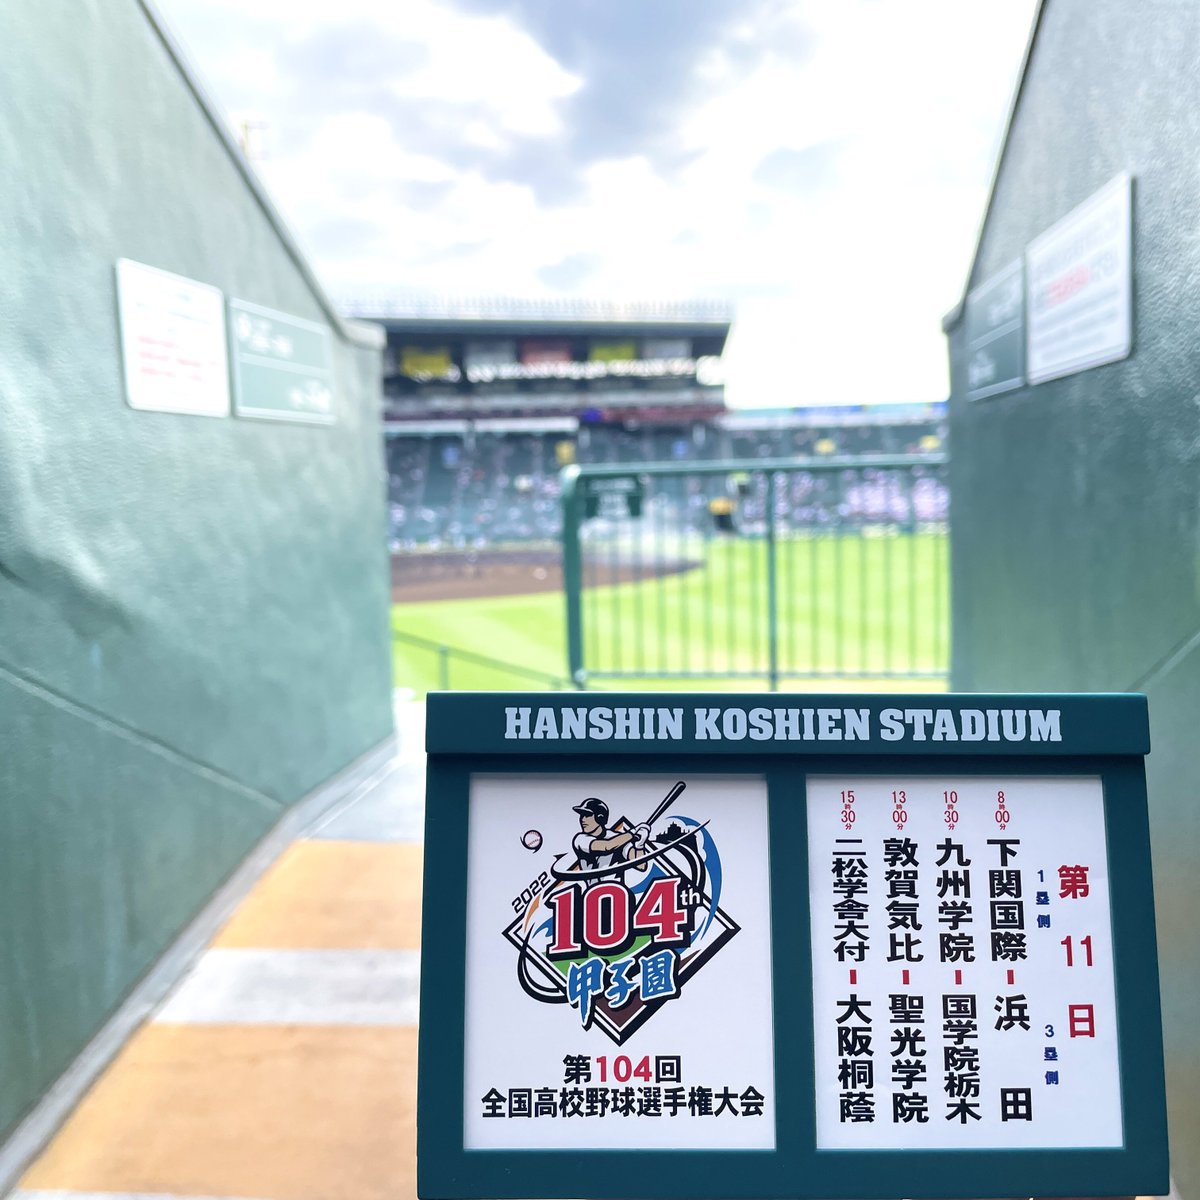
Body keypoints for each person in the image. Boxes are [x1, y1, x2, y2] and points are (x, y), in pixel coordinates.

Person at [571, 797, 649, 875]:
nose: (583, 820)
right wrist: (632, 833)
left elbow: (641, 866)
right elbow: (607, 846)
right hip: (593, 883)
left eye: (587, 815)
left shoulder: (618, 838)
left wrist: (640, 846)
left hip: (615, 883)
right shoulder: (580, 839)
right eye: (582, 816)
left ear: (600, 818)